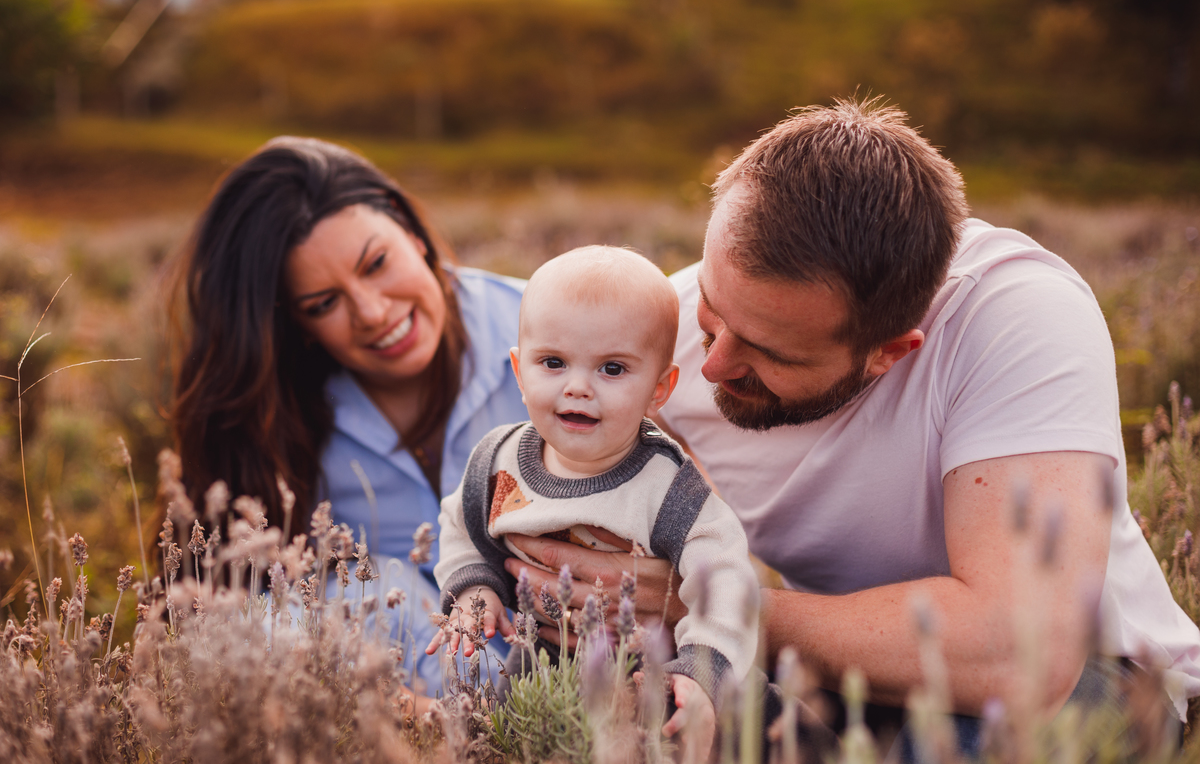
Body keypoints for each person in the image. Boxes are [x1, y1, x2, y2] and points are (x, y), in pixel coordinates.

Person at [503, 98, 1200, 755]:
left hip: (1098, 683)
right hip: (838, 678)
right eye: (713, 311)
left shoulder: (1018, 317)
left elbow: (1021, 656)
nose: (712, 365)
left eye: (769, 354)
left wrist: (712, 602)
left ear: (890, 352)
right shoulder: (659, 338)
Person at [170, 136, 528, 694]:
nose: (373, 312)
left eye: (378, 263)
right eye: (323, 304)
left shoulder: (547, 333)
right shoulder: (274, 417)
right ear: (294, 324)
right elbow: (224, 614)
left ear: (410, 231)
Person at [426, 246, 761, 745]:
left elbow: (727, 575)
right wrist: (476, 589)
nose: (578, 387)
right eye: (554, 362)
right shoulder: (498, 460)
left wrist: (701, 672)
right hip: (537, 666)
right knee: (500, 740)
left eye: (612, 369)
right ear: (520, 373)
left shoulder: (664, 484)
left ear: (659, 388)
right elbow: (462, 526)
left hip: (654, 674)